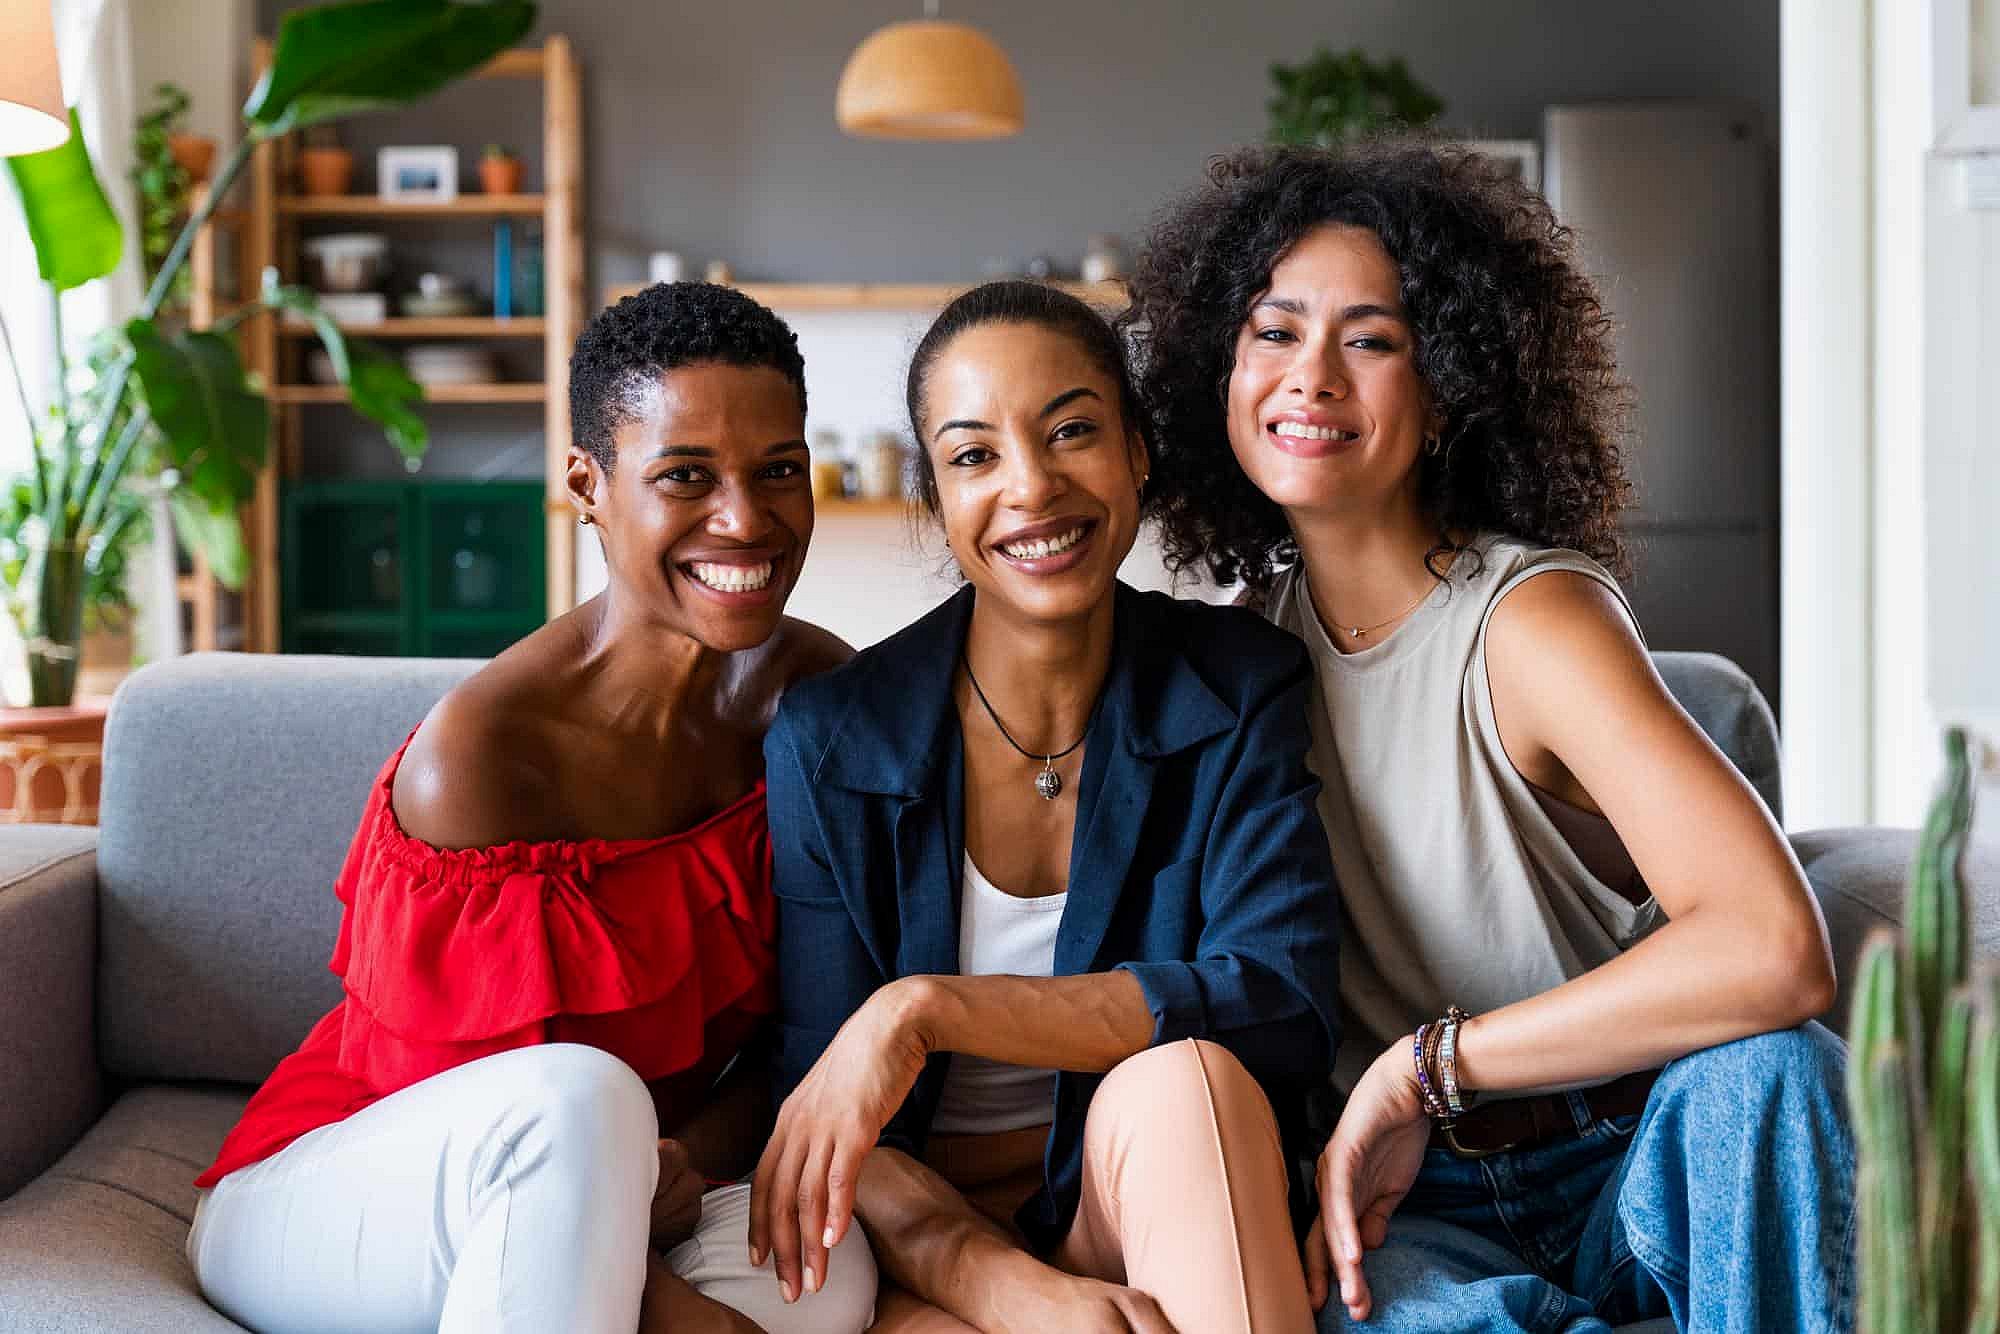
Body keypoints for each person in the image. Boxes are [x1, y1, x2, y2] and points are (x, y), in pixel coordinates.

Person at [1126, 141, 1853, 1333]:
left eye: (1367, 339)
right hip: (1410, 1203)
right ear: (1219, 364)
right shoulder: (1239, 655)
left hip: (1629, 1143)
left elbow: (1776, 948)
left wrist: (1426, 1065)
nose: (1308, 376)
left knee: (1771, 1076)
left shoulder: (1531, 623)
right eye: (1273, 331)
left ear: (1448, 385)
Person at [188, 282, 877, 1334]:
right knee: (581, 1095)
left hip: (621, 1192)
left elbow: (809, 1041)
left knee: (825, 1275)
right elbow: (508, 1121)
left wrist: (692, 1160)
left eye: (778, 470)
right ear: (588, 485)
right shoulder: (479, 754)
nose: (745, 518)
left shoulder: (815, 701)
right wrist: (671, 1308)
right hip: (344, 1192)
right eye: (685, 475)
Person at [749, 280, 1342, 1333]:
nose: (1031, 485)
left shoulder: (1238, 683)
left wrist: (924, 1007)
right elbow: (823, 1114)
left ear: (1137, 451)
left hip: (1150, 1195)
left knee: (1185, 1081)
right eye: (974, 455)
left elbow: (1277, 1000)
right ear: (934, 496)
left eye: (1070, 431)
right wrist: (1005, 1285)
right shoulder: (832, 741)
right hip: (922, 1254)